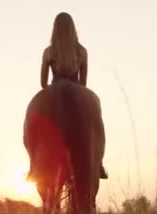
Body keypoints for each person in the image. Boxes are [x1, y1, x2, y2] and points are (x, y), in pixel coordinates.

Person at [40, 12, 108, 179]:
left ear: (55, 29)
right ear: (73, 29)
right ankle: (98, 163)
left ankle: (35, 164)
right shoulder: (82, 52)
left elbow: (43, 82)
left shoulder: (49, 52)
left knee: (37, 117)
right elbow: (83, 85)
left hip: (54, 89)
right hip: (78, 92)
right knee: (96, 107)